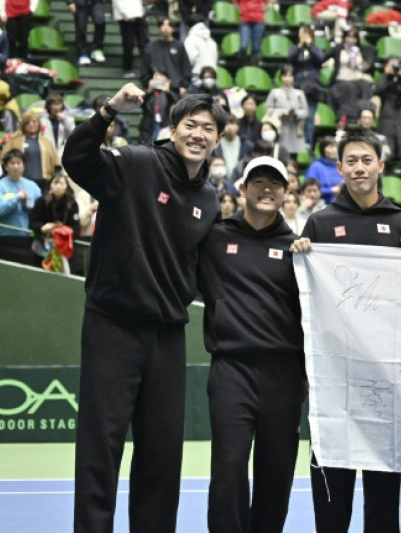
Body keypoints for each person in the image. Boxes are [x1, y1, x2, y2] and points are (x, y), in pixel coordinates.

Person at [63, 87, 226, 532]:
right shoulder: (136, 163)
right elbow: (77, 160)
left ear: (217, 140)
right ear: (173, 130)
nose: (198, 134)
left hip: (168, 337)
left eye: (207, 128)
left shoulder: (209, 200)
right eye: (189, 125)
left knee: (161, 456)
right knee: (101, 450)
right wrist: (108, 111)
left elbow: (211, 272)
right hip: (112, 327)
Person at [289, 129, 401, 533]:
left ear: (380, 164)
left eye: (367, 159)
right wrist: (302, 256)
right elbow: (305, 301)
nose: (359, 168)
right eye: (351, 161)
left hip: (386, 382)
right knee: (331, 501)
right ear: (338, 167)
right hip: (333, 386)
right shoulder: (321, 223)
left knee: (383, 503)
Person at [198, 156, 304, 532]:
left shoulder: (299, 251)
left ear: (285, 192)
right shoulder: (214, 238)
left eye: (275, 183)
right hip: (231, 371)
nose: (266, 189)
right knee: (228, 468)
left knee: (276, 474)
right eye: (258, 182)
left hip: (285, 375)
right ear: (241, 189)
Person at [29, 172, 80, 270]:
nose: (58, 187)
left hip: (64, 248)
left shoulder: (72, 204)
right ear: (50, 186)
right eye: (55, 183)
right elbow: (32, 223)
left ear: (67, 187)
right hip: (42, 246)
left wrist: (63, 231)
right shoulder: (41, 201)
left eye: (62, 183)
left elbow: (76, 228)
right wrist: (42, 228)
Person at [0, 110, 60, 192]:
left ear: (38, 124)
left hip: (44, 182)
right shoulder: (14, 141)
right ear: (23, 125)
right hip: (19, 182)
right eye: (28, 123)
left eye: (34, 122)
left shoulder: (46, 142)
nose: (31, 125)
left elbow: (56, 163)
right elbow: (4, 159)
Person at [325, 26, 374, 124]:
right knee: (348, 89)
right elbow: (323, 56)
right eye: (349, 37)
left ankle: (362, 119)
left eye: (354, 37)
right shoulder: (339, 49)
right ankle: (346, 118)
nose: (351, 40)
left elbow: (368, 64)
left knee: (365, 88)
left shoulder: (362, 50)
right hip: (342, 81)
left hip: (358, 81)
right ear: (345, 38)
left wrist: (364, 63)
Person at [288, 24, 326, 148]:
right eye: (301, 34)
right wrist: (300, 47)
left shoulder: (315, 48)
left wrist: (310, 46)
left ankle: (308, 143)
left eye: (305, 34)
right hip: (298, 85)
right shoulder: (295, 48)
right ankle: (294, 143)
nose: (302, 36)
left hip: (312, 87)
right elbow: (289, 59)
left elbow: (321, 59)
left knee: (309, 117)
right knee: (296, 117)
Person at [373, 55, 401, 163]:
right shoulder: (383, 80)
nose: (394, 67)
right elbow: (377, 90)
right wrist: (387, 76)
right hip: (386, 118)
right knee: (386, 150)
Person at [0, 149, 41, 235]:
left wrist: (27, 206)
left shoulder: (33, 187)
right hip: (3, 236)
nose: (16, 166)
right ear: (6, 167)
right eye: (12, 163)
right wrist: (17, 197)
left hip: (27, 236)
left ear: (24, 165)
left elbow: (39, 213)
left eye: (19, 163)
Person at [264, 64, 308, 155]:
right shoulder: (274, 92)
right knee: (279, 154)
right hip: (279, 128)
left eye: (290, 76)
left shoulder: (299, 93)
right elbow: (268, 110)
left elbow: (305, 111)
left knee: (293, 157)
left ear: (294, 78)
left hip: (295, 128)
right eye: (285, 76)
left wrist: (295, 113)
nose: (287, 78)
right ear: (281, 78)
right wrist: (281, 112)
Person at [141, 17, 192, 94]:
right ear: (159, 27)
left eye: (169, 25)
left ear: (173, 28)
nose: (165, 28)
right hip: (155, 86)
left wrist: (184, 85)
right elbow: (145, 68)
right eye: (163, 25)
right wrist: (147, 82)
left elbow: (186, 67)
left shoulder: (179, 46)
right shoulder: (150, 47)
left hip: (175, 87)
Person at [139, 70, 179, 144]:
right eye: (156, 80)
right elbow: (141, 103)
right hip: (148, 128)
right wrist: (149, 90)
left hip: (164, 126)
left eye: (161, 81)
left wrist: (167, 90)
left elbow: (176, 103)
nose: (158, 83)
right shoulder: (147, 93)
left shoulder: (169, 94)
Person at [112, 0, 149, 78]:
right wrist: (128, 16)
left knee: (144, 44)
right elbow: (118, 4)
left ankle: (147, 70)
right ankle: (127, 69)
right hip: (126, 19)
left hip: (140, 16)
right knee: (129, 44)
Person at [305, 136, 342, 204]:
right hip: (321, 205)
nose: (333, 150)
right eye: (330, 147)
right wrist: (331, 190)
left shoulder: (341, 165)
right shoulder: (315, 167)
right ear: (323, 149)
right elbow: (309, 189)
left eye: (335, 147)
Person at [69, 0, 107, 66]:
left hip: (97, 2)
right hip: (80, 3)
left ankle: (97, 49)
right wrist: (70, 2)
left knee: (100, 22)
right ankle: (82, 53)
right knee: (81, 27)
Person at [40, 93, 77, 157]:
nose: (57, 107)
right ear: (49, 106)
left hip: (63, 152)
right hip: (47, 152)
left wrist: (64, 120)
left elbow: (74, 133)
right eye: (54, 104)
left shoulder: (68, 119)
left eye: (59, 104)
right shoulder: (42, 121)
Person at [183, 14, 218, 82]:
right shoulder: (212, 41)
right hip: (212, 77)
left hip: (197, 77)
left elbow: (190, 60)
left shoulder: (190, 40)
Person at [235, 0, 267, 65]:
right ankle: (241, 66)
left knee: (256, 48)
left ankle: (254, 67)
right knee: (243, 46)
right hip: (245, 21)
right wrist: (240, 10)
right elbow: (235, 1)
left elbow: (268, 2)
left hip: (258, 21)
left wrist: (262, 10)